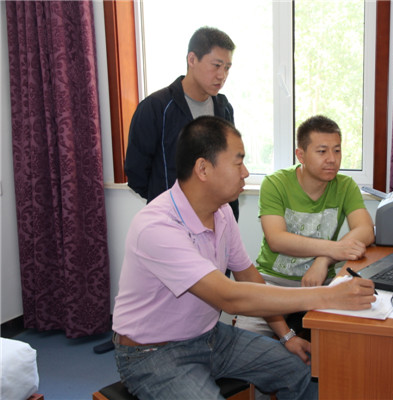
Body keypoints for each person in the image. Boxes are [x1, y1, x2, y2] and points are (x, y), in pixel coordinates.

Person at [111, 116, 376, 400]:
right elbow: (229, 297)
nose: (246, 172)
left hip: (210, 337)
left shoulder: (222, 212)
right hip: (153, 353)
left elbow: (249, 277)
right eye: (238, 163)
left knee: (301, 370)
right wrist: (328, 296)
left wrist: (287, 336)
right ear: (203, 168)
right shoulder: (157, 226)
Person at [235, 115, 375, 336]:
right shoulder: (275, 183)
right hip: (272, 284)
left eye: (337, 150)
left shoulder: (345, 186)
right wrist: (334, 249)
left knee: (346, 341)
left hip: (323, 283)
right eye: (322, 151)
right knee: (245, 344)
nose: (332, 159)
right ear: (300, 155)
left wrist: (323, 260)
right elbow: (277, 239)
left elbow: (365, 230)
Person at [124, 26, 239, 220]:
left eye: (227, 68)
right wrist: (167, 201)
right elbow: (136, 173)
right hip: (170, 220)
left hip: (216, 219)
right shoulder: (156, 107)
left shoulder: (224, 108)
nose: (222, 75)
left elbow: (227, 164)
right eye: (216, 65)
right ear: (192, 60)